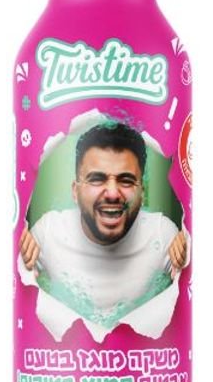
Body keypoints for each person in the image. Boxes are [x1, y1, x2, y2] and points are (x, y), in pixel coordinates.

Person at [19, 122, 188, 328]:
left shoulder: (163, 234)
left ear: (142, 193)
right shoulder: (48, 232)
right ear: (75, 191)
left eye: (126, 181)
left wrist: (187, 248)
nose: (113, 193)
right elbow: (22, 280)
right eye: (97, 179)